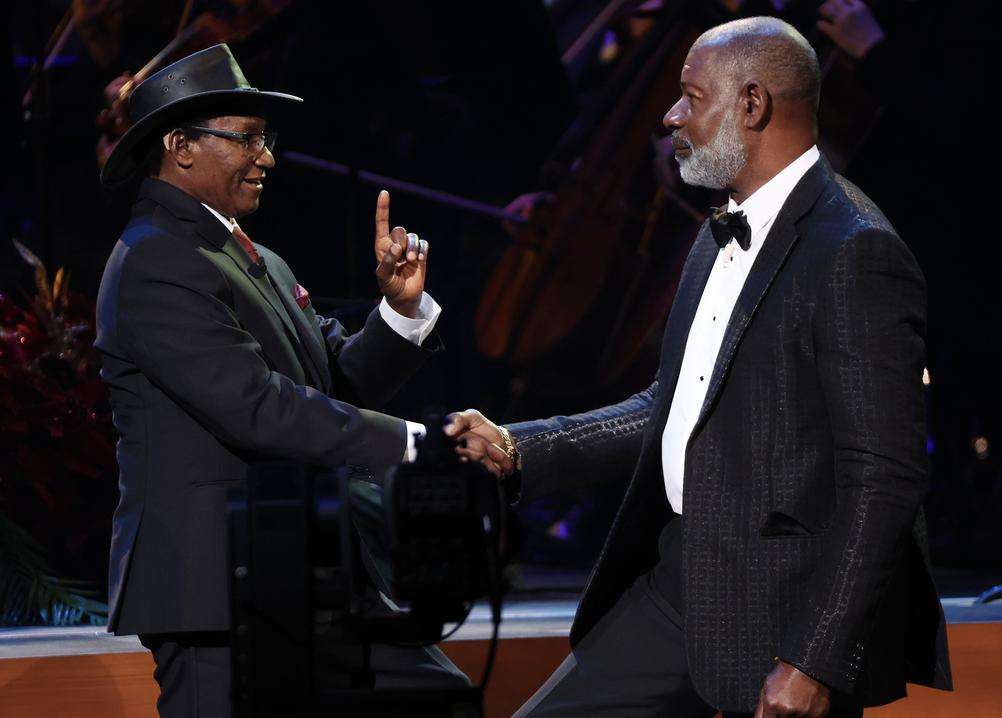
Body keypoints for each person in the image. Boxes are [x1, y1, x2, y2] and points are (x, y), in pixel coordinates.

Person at [447, 16, 951, 718]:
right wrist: (522, 445)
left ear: (752, 105)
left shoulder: (855, 252)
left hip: (788, 609)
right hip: (682, 578)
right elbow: (674, 402)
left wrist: (815, 658)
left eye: (689, 96)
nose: (669, 114)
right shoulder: (717, 232)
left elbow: (885, 476)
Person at [94, 44, 467, 716]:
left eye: (267, 139)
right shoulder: (155, 259)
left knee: (435, 697)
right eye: (248, 139)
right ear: (179, 146)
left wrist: (401, 313)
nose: (266, 157)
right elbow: (257, 409)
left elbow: (331, 384)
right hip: (212, 586)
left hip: (298, 568)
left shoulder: (250, 253)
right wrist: (419, 445)